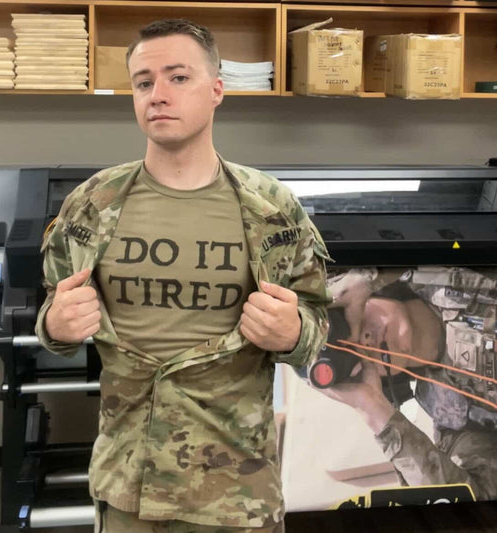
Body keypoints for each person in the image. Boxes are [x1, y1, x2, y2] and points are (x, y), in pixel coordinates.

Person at [35, 18, 331, 533]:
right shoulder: (92, 204)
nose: (158, 95)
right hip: (127, 484)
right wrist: (55, 326)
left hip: (236, 492)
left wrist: (293, 333)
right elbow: (52, 311)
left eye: (178, 77)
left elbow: (316, 324)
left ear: (216, 90)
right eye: (143, 82)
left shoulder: (272, 209)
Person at [313, 266, 497, 502]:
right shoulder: (456, 419)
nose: (364, 340)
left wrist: (368, 276)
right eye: (354, 357)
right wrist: (377, 414)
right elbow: (470, 503)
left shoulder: (442, 270)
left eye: (350, 320)